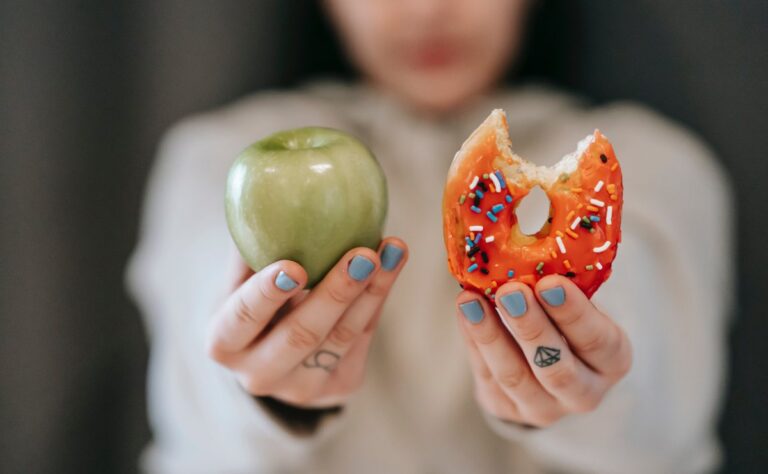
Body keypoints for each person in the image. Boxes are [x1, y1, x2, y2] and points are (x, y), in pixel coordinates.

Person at [127, 0, 733, 472]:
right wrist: (262, 390)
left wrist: (585, 390)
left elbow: (662, 407)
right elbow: (195, 411)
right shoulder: (210, 157)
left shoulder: (658, 163)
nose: (426, 9)